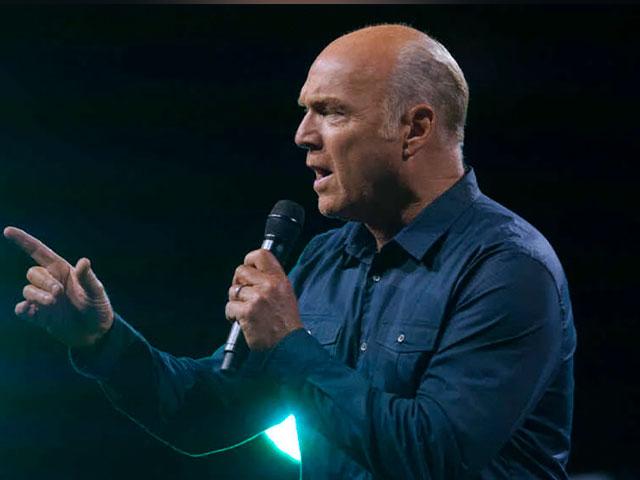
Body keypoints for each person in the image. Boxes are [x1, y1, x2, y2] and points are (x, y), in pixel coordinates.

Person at [4, 24, 576, 479]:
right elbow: (207, 416)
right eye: (306, 111)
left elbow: (435, 458)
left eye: (331, 111)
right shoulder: (324, 261)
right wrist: (103, 341)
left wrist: (290, 345)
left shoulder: (506, 269)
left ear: (415, 127)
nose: (303, 135)